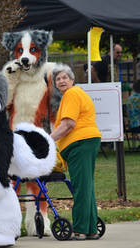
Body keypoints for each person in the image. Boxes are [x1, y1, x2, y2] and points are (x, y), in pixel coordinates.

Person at [50, 64, 102, 240]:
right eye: (58, 79)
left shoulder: (72, 94)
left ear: (72, 80)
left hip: (80, 143)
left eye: (65, 77)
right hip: (86, 142)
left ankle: (80, 230)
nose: (62, 80)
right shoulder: (74, 94)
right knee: (86, 187)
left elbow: (68, 124)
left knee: (80, 187)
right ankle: (91, 229)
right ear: (55, 84)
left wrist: (47, 140)